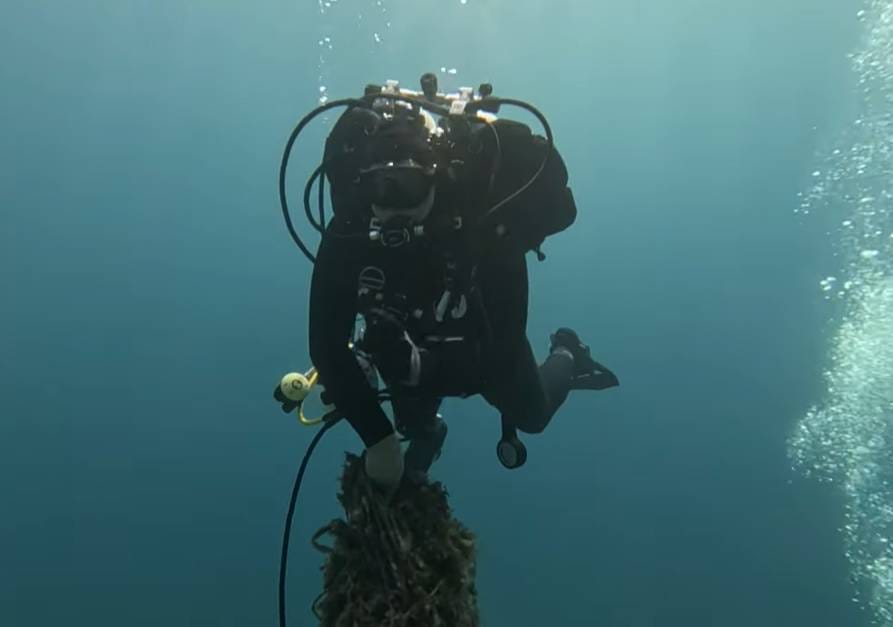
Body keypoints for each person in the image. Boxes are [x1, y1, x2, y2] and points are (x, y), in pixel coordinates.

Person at [299, 82, 619, 494]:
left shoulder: (479, 224)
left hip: (479, 322)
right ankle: (427, 433)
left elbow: (499, 353)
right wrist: (379, 441)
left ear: (437, 180)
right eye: (384, 189)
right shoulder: (352, 229)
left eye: (409, 187)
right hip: (405, 333)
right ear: (363, 189)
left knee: (532, 416)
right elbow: (325, 346)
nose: (396, 207)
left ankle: (568, 353)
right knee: (407, 424)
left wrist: (421, 368)